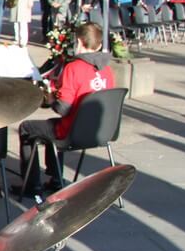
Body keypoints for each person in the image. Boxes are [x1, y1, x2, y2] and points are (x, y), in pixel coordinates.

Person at [15, 22, 114, 197]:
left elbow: (63, 109)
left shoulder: (74, 68)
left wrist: (52, 99)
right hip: (101, 130)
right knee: (50, 128)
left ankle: (32, 185)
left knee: (27, 128)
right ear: (99, 45)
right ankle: (55, 180)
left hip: (73, 132)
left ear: (79, 42)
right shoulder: (107, 69)